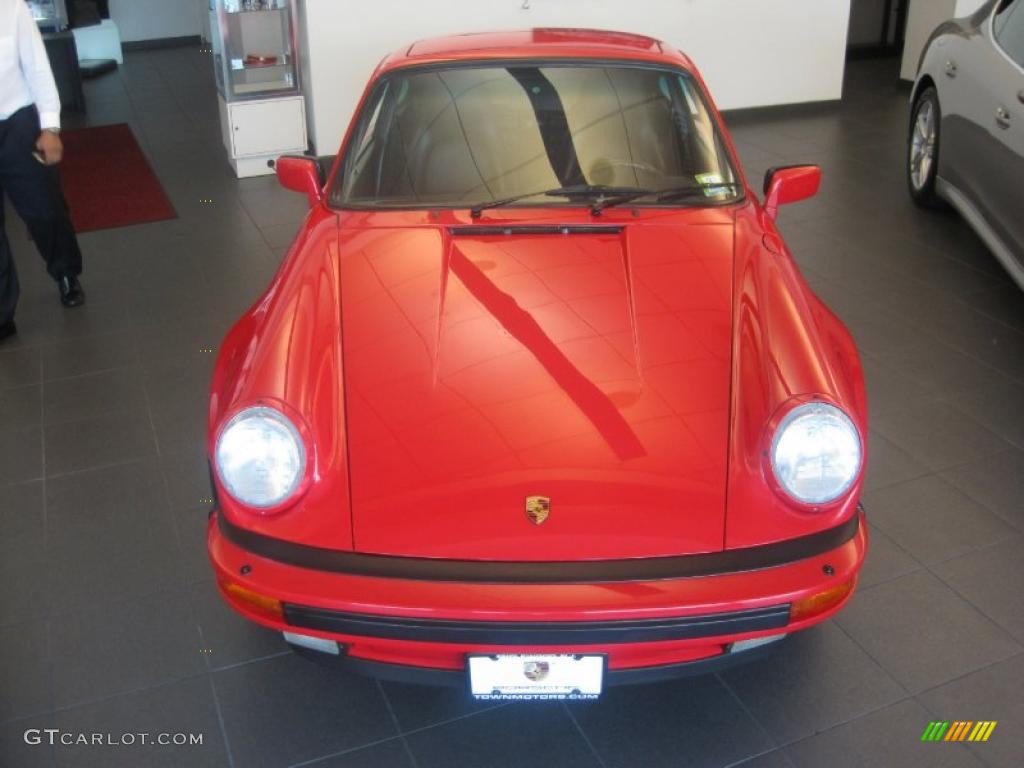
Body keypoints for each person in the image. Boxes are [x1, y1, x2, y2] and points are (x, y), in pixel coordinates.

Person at [1, 0, 86, 344]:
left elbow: (37, 66)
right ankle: (3, 312)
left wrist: (50, 125)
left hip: (17, 123)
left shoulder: (11, 7)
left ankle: (66, 273)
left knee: (44, 210)